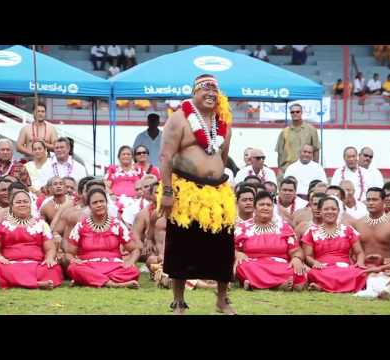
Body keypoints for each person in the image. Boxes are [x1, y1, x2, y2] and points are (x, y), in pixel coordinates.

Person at [158, 74, 236, 315]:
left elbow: (223, 158)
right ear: (194, 92)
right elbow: (165, 157)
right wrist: (167, 191)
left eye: (215, 90)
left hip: (217, 194)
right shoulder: (179, 119)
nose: (211, 93)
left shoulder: (223, 121)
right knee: (181, 248)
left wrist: (216, 178)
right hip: (185, 193)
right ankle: (179, 302)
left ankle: (222, 300)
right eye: (205, 89)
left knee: (223, 250)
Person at [65, 188, 140, 288]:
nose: (99, 205)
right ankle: (113, 284)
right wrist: (73, 260)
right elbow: (69, 253)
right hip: (89, 266)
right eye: (95, 203)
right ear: (89, 206)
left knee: (133, 271)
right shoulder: (81, 225)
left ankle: (89, 280)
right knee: (73, 268)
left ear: (106, 203)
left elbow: (134, 249)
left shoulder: (117, 224)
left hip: (114, 267)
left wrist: (130, 262)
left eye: (102, 201)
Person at [0, 190, 63, 289]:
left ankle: (20, 282)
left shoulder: (41, 223)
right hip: (11, 264)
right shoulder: (2, 224)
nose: (22, 204)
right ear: (11, 205)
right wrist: (0, 258)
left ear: (30, 204)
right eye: (18, 202)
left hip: (36, 264)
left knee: (53, 268)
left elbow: (50, 248)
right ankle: (37, 284)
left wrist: (49, 258)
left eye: (25, 201)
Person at [234, 191, 306, 291]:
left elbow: (296, 250)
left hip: (279, 266)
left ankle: (255, 284)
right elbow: (231, 248)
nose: (265, 207)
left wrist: (297, 258)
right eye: (261, 204)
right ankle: (278, 285)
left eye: (269, 205)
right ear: (255, 208)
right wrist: (237, 254)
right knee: (243, 266)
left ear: (273, 208)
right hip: (253, 265)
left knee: (295, 269)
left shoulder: (284, 227)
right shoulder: (243, 227)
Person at [301, 196, 367, 292]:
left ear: (338, 211)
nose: (330, 212)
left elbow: (359, 252)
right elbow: (307, 256)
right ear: (320, 211)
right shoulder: (312, 231)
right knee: (313, 273)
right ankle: (340, 287)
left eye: (333, 209)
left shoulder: (348, 230)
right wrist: (314, 263)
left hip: (345, 268)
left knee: (360, 272)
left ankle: (323, 287)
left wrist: (360, 262)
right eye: (326, 209)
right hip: (323, 268)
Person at [354, 188, 390, 267]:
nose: (370, 203)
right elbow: (352, 251)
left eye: (374, 200)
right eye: (368, 200)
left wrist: (388, 261)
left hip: (386, 268)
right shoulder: (357, 224)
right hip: (363, 268)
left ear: (383, 201)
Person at [275, 103, 320, 175]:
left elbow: (316, 150)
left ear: (302, 113)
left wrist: (315, 168)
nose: (295, 113)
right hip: (288, 168)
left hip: (307, 168)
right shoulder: (284, 132)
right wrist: (280, 169)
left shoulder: (311, 130)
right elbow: (280, 153)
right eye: (292, 112)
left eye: (297, 111)